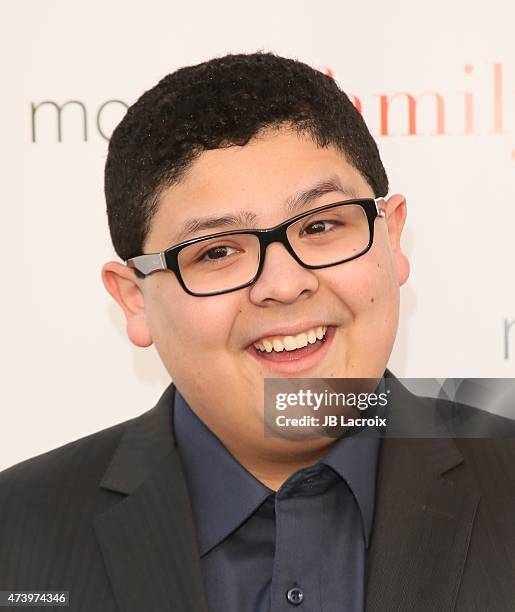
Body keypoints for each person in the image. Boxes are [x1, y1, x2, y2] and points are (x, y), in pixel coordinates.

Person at [1, 52, 514, 612]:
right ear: (134, 299)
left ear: (392, 241)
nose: (285, 283)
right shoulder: (16, 537)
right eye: (218, 251)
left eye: (321, 225)